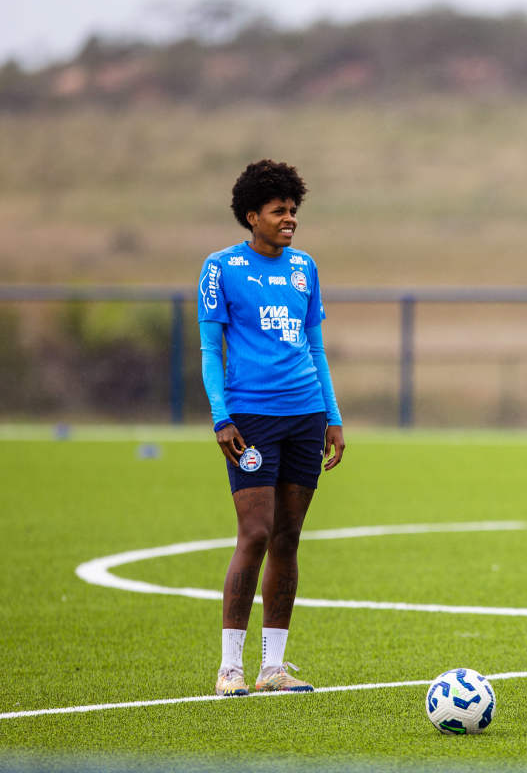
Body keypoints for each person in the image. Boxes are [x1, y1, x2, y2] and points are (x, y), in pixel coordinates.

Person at [197, 159, 345, 696]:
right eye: (279, 211)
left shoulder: (305, 267)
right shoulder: (220, 268)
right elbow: (211, 351)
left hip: (306, 415)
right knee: (255, 532)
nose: (290, 220)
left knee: (288, 536)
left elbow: (316, 347)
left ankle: (272, 668)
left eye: (293, 210)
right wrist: (221, 415)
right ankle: (230, 669)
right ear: (251, 215)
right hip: (250, 418)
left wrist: (332, 415)